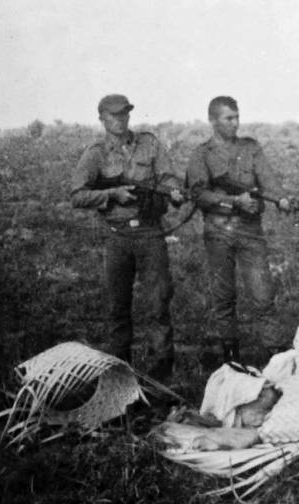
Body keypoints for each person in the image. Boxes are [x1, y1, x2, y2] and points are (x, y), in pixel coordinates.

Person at [70, 94, 184, 380]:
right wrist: (112, 194)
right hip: (117, 237)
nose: (120, 120)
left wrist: (174, 191)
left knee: (158, 305)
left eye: (124, 115)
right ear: (102, 119)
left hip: (150, 234)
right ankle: (119, 379)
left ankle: (161, 381)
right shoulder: (95, 154)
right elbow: (77, 195)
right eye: (114, 116)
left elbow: (168, 177)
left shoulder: (150, 144)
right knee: (117, 309)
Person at [187, 96, 293, 363]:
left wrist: (281, 199)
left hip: (250, 231)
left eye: (237, 117)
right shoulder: (202, 154)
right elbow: (198, 193)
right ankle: (231, 359)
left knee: (263, 295)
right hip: (219, 231)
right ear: (213, 121)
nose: (235, 123)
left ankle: (276, 358)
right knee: (224, 297)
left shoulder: (251, 148)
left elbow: (267, 179)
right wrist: (234, 201)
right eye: (228, 118)